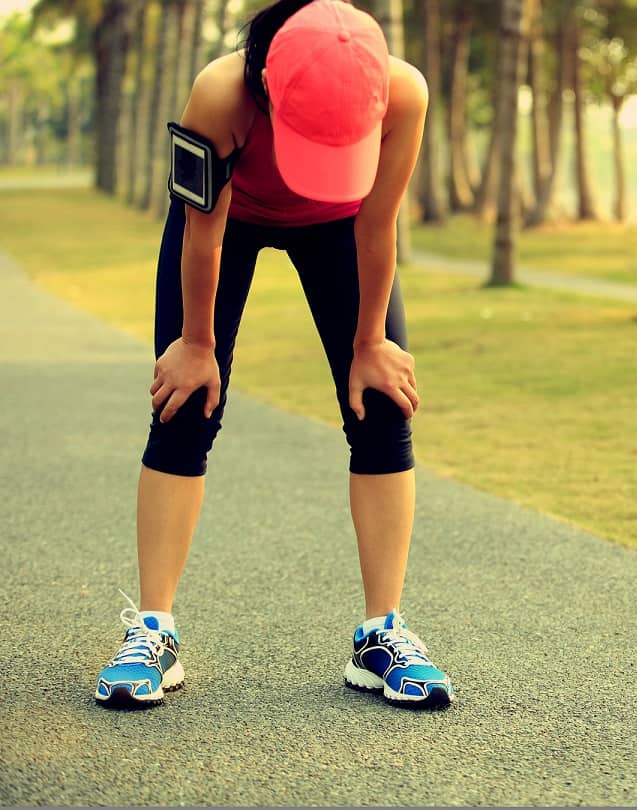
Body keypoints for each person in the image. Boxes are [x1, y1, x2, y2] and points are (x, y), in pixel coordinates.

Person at [93, 0, 453, 710]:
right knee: (184, 404)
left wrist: (370, 342)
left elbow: (378, 225)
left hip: (341, 226)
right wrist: (196, 344)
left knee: (382, 404)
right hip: (233, 219)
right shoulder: (219, 94)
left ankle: (381, 634)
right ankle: (155, 632)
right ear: (268, 88)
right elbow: (204, 233)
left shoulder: (402, 91)